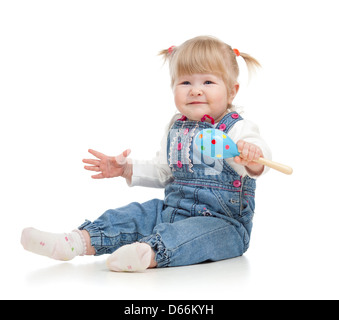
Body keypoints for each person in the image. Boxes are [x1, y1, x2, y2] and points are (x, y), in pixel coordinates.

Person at [21, 36, 272, 272]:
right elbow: (164, 171)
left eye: (207, 82)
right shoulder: (176, 127)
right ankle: (74, 242)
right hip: (172, 210)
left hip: (223, 225)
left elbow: (260, 159)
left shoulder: (238, 128)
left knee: (190, 235)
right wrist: (127, 169)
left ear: (231, 91)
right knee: (134, 215)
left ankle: (147, 254)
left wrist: (252, 156)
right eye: (185, 82)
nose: (195, 90)